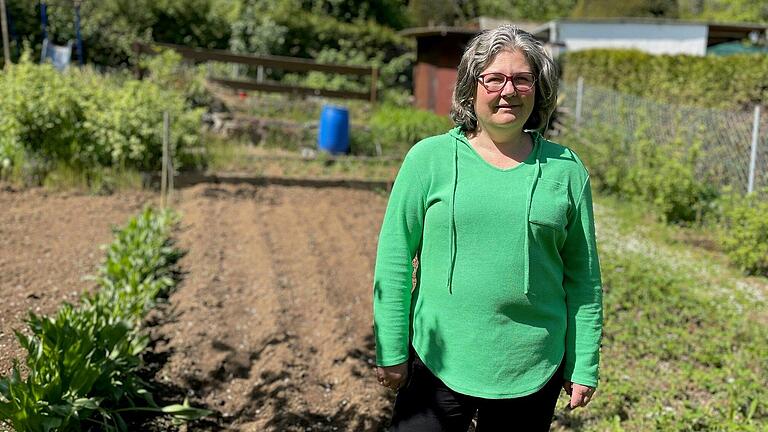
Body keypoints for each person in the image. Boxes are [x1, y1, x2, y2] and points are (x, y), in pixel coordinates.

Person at [372, 25, 603, 432]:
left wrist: (583, 361)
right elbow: (394, 258)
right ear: (470, 87)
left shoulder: (567, 171)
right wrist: (391, 350)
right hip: (437, 359)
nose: (508, 91)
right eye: (494, 78)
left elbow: (583, 277)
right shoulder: (428, 160)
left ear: (539, 89)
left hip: (531, 365)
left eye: (522, 79)